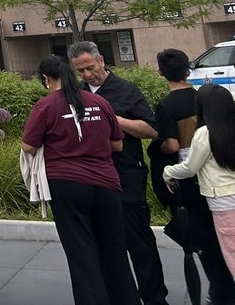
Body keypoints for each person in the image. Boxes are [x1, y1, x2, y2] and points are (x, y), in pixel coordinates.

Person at [22, 55, 138, 305]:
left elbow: (28, 146)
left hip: (67, 185)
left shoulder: (45, 106)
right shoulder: (99, 102)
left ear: (46, 79)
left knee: (82, 255)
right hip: (107, 183)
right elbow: (117, 145)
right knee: (115, 252)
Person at [68, 41, 168, 305]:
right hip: (89, 177)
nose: (87, 75)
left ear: (101, 60)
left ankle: (155, 297)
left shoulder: (125, 90)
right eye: (80, 71)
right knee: (103, 246)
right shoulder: (75, 93)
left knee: (139, 242)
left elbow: (151, 129)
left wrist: (112, 117)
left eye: (90, 67)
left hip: (126, 175)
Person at [149, 48, 235, 304]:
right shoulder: (209, 99)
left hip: (196, 187)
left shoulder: (166, 105)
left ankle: (220, 293)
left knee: (209, 244)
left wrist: (160, 154)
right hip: (222, 186)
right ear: (188, 70)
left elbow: (173, 147)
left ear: (160, 72)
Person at [165, 83, 235, 277]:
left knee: (232, 253)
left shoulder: (205, 133)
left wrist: (167, 171)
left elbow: (190, 167)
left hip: (222, 199)